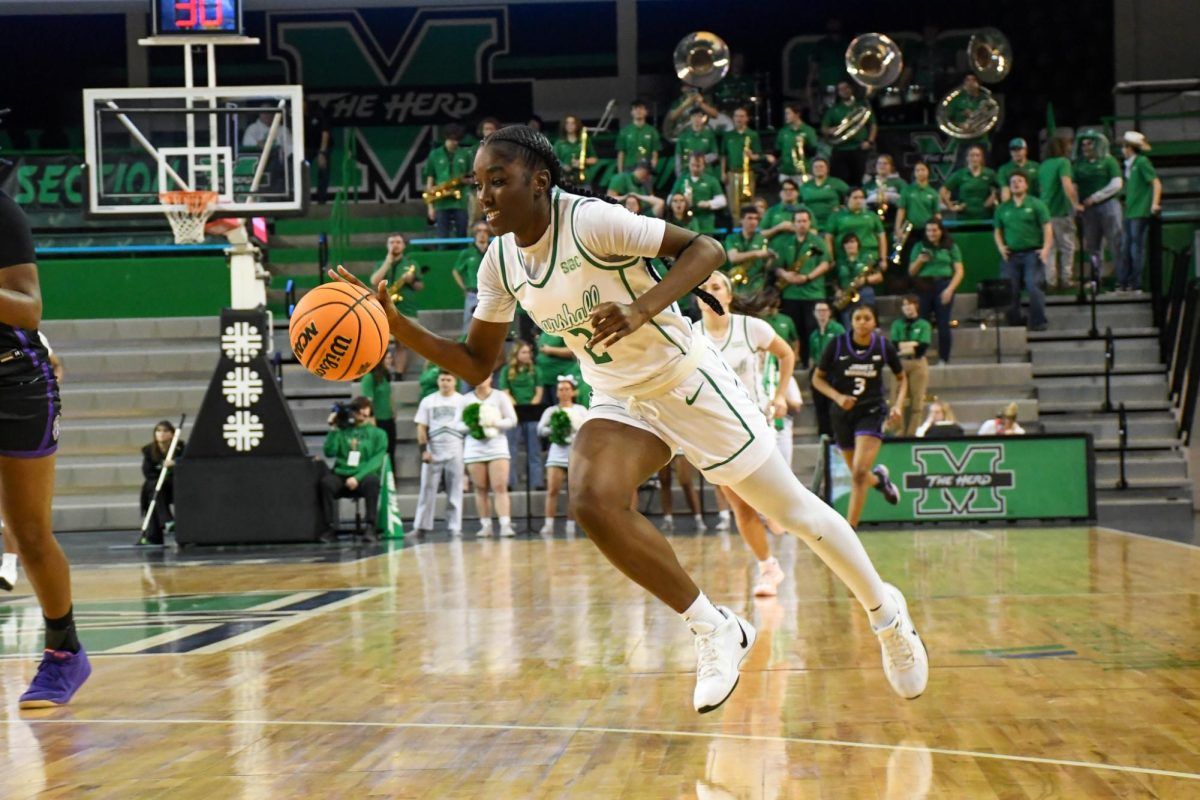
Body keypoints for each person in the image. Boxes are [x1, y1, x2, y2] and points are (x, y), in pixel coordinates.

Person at [331, 124, 927, 712]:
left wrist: (643, 308)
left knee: (792, 512)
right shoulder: (500, 263)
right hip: (619, 396)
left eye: (497, 181)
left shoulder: (589, 221)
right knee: (592, 500)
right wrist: (395, 324)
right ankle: (715, 627)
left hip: (688, 382)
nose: (483, 197)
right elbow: (475, 361)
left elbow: (706, 249)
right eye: (477, 184)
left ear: (539, 182)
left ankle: (886, 616)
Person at [1, 188, 89, 709]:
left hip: (14, 382)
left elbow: (29, 308)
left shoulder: (1, 214)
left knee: (30, 532)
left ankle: (65, 652)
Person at [694, 272, 796, 597]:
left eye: (716, 286)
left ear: (728, 294)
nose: (709, 292)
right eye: (703, 288)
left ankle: (774, 512)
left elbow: (787, 354)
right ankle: (768, 568)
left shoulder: (750, 327)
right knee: (740, 506)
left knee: (774, 499)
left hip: (754, 425)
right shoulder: (689, 336)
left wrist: (780, 395)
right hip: (712, 432)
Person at [811, 304, 906, 528]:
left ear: (874, 323)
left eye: (867, 318)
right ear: (851, 322)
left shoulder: (883, 346)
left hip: (871, 411)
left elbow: (902, 378)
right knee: (858, 473)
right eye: (858, 318)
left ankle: (849, 530)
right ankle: (880, 481)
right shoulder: (837, 345)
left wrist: (898, 406)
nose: (862, 322)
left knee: (858, 473)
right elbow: (817, 379)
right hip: (842, 413)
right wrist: (837, 396)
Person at [770, 208, 832, 368]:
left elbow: (826, 263)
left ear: (809, 222)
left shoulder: (818, 241)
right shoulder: (786, 242)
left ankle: (812, 362)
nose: (802, 224)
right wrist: (786, 275)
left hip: (813, 294)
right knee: (794, 331)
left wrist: (808, 277)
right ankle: (794, 361)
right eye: (798, 221)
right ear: (793, 224)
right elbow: (777, 267)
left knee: (812, 331)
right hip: (790, 294)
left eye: (805, 221)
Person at [319, 396, 386, 542]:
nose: (360, 413)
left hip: (363, 476)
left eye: (364, 409)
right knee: (327, 483)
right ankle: (328, 527)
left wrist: (357, 477)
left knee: (372, 482)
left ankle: (370, 526)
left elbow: (376, 460)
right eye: (357, 409)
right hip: (342, 473)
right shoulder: (342, 431)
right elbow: (329, 452)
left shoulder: (378, 434)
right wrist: (334, 429)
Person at [994, 171, 1053, 331]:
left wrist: (1046, 249)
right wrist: (1000, 247)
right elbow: (997, 230)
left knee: (1033, 286)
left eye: (1020, 181)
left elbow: (1047, 227)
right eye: (1013, 181)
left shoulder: (1036, 204)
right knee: (1010, 288)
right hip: (1011, 255)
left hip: (1032, 254)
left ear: (1026, 185)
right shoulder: (1002, 208)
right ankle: (1014, 321)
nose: (1016, 183)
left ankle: (1038, 321)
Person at [462, 375, 517, 537]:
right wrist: (473, 423)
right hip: (474, 448)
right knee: (480, 488)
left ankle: (505, 524)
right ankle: (485, 525)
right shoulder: (465, 400)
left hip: (497, 447)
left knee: (500, 487)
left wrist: (493, 422)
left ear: (491, 378)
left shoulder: (500, 396)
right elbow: (456, 424)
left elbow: (512, 420)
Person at [412, 370, 466, 537]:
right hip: (433, 448)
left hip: (456, 446)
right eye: (442, 379)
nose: (445, 383)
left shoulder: (463, 401)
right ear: (437, 381)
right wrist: (423, 450)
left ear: (455, 381)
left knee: (455, 488)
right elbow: (421, 426)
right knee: (427, 488)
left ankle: (455, 526)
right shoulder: (428, 401)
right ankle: (421, 526)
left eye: (449, 379)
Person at [908, 218, 964, 363]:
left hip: (944, 284)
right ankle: (920, 356)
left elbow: (959, 271)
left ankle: (944, 359)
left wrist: (950, 289)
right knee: (921, 323)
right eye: (928, 230)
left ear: (940, 231)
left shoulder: (951, 246)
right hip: (923, 285)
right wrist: (920, 261)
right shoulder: (919, 246)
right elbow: (911, 272)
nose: (931, 233)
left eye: (934, 230)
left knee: (943, 323)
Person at [537, 376, 588, 536]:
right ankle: (548, 524)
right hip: (556, 453)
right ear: (557, 393)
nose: (564, 392)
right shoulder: (551, 411)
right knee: (552, 489)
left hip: (575, 454)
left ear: (573, 392)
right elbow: (540, 429)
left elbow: (587, 429)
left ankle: (571, 524)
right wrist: (555, 430)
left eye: (567, 389)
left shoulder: (581, 410)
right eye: (561, 389)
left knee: (573, 491)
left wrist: (574, 433)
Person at [1074, 130, 1124, 286]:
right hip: (1088, 210)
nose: (1085, 148)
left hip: (1108, 206)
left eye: (1089, 144)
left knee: (1115, 242)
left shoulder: (1109, 161)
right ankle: (1096, 277)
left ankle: (1121, 278)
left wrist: (1095, 197)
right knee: (1093, 246)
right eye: (1083, 144)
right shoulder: (1078, 164)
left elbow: (1116, 184)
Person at [369, 234, 423, 375]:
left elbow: (420, 286)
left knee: (403, 344)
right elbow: (374, 281)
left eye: (398, 242)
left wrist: (411, 280)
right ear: (387, 245)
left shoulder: (411, 264)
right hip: (383, 309)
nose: (395, 245)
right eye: (391, 242)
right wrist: (388, 261)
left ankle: (399, 374)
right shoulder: (381, 263)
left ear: (404, 245)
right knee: (381, 343)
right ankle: (381, 372)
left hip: (406, 309)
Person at [1118, 131, 1163, 292]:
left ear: (1129, 148)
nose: (1122, 149)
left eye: (1124, 146)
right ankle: (1123, 282)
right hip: (1130, 211)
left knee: (1136, 248)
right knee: (1126, 247)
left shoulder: (1142, 162)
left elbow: (1156, 183)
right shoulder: (1131, 165)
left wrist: (1154, 204)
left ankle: (1135, 283)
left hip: (1140, 212)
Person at [499, 340, 544, 490]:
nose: (527, 355)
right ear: (516, 354)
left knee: (534, 450)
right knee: (511, 449)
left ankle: (536, 482)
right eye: (523, 352)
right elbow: (505, 392)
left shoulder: (536, 370)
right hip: (513, 413)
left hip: (531, 413)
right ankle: (510, 482)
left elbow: (538, 392)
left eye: (528, 352)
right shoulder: (506, 370)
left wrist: (529, 406)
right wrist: (515, 408)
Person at [1038, 137, 1082, 290]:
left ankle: (1050, 281)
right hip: (1060, 211)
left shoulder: (1043, 165)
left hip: (1044, 212)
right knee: (1067, 247)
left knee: (1050, 248)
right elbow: (1067, 185)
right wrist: (1076, 204)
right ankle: (1066, 279)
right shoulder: (1063, 163)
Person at [888, 296, 932, 436]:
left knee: (917, 399)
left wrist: (904, 345)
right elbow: (894, 346)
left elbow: (922, 348)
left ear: (916, 306)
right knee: (896, 399)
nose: (908, 307)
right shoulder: (896, 325)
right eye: (905, 305)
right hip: (899, 363)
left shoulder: (924, 325)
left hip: (917, 363)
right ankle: (898, 432)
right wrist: (913, 344)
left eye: (910, 304)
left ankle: (912, 433)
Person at [138, 420, 185, 546]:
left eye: (165, 431)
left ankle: (167, 523)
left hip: (176, 487)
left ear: (172, 434)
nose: (161, 434)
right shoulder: (149, 451)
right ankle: (158, 531)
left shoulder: (181, 448)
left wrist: (175, 463)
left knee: (154, 492)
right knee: (153, 489)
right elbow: (148, 473)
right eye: (158, 431)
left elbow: (189, 465)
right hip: (158, 487)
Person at [720, 107, 772, 218]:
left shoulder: (752, 135)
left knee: (748, 204)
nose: (739, 119)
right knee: (733, 206)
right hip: (732, 173)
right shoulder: (728, 135)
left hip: (748, 173)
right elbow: (723, 155)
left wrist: (752, 156)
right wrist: (723, 172)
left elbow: (758, 154)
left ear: (747, 119)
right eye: (737, 116)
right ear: (733, 118)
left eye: (742, 116)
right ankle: (736, 230)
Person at [422, 125, 472, 240]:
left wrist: (468, 181)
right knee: (442, 236)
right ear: (445, 138)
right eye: (452, 139)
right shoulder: (434, 155)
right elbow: (429, 181)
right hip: (440, 201)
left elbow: (471, 176)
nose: (454, 142)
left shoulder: (465, 154)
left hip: (460, 201)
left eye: (457, 140)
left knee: (462, 235)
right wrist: (430, 206)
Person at [822, 79, 876, 185]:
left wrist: (869, 141)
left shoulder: (862, 106)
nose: (844, 91)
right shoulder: (834, 109)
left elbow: (873, 125)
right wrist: (830, 130)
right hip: (840, 149)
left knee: (859, 180)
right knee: (839, 180)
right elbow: (824, 128)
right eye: (840, 89)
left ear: (851, 89)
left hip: (859, 149)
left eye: (846, 88)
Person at [808, 301, 844, 439]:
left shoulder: (837, 329)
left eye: (824, 310)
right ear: (814, 314)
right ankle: (824, 434)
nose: (822, 314)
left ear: (829, 312)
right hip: (818, 372)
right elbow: (812, 355)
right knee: (820, 405)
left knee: (833, 404)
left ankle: (837, 434)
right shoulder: (814, 335)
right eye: (818, 311)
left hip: (833, 371)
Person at [894, 161, 941, 269]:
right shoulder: (907, 190)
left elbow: (937, 214)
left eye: (923, 170)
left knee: (926, 255)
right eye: (917, 170)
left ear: (928, 172)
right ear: (914, 173)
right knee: (909, 256)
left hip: (927, 231)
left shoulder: (933, 193)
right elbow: (901, 210)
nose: (920, 173)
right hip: (910, 230)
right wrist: (898, 228)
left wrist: (938, 230)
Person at [827, 187, 887, 267]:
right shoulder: (837, 216)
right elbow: (828, 238)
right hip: (844, 257)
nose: (859, 201)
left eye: (861, 198)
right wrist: (830, 259)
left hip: (869, 256)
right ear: (847, 199)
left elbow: (881, 237)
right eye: (855, 198)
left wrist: (883, 259)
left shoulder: (872, 216)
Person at [833, 233, 883, 327]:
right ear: (843, 246)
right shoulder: (839, 262)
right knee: (848, 324)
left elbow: (879, 277)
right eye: (846, 243)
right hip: (846, 296)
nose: (850, 245)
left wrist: (865, 280)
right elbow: (834, 280)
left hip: (864, 292)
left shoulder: (867, 259)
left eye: (852, 242)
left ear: (858, 244)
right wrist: (837, 291)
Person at [670, 152, 727, 233]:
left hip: (705, 222)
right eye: (692, 165)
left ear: (704, 165)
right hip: (685, 223)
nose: (695, 169)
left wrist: (709, 203)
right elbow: (670, 198)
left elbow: (722, 201)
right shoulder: (681, 179)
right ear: (688, 164)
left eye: (698, 166)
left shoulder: (711, 180)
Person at [940, 144, 1000, 221]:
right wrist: (950, 206)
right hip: (964, 218)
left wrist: (993, 197)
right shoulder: (960, 174)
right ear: (967, 158)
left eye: (977, 155)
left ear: (981, 158)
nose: (974, 158)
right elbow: (943, 190)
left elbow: (1003, 186)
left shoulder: (989, 173)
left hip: (985, 217)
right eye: (971, 155)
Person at [723, 207, 774, 294]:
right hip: (736, 285)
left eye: (756, 219)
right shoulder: (731, 238)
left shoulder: (762, 239)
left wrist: (771, 258)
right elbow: (733, 257)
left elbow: (768, 266)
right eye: (749, 218)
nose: (753, 222)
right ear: (741, 220)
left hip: (756, 285)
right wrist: (757, 253)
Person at [942, 74, 992, 160]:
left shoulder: (986, 99)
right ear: (964, 83)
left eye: (973, 80)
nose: (970, 83)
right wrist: (958, 125)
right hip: (962, 141)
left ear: (978, 83)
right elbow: (947, 119)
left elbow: (992, 117)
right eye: (967, 80)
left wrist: (976, 118)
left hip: (980, 139)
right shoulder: (956, 99)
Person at [453, 220, 490, 331]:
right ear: (474, 234)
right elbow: (456, 271)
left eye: (485, 231)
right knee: (469, 328)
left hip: (491, 295)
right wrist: (464, 287)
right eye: (479, 231)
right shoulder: (467, 253)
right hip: (473, 293)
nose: (482, 234)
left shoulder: (494, 252)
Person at [359, 356, 396, 468]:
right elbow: (367, 403)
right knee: (380, 452)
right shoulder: (369, 377)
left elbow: (389, 396)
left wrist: (393, 411)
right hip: (377, 421)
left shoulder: (385, 376)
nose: (390, 360)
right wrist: (371, 422)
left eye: (390, 358)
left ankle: (390, 480)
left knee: (391, 451)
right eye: (387, 358)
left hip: (388, 419)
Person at [657, 452, 707, 533]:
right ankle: (668, 519)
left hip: (680, 448)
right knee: (664, 481)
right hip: (663, 444)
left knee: (686, 482)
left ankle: (698, 518)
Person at [799, 157, 849, 231]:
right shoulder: (805, 186)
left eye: (821, 166)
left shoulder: (836, 183)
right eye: (815, 167)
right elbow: (796, 202)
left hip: (832, 222)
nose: (818, 169)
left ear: (827, 169)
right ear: (812, 170)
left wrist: (844, 207)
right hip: (810, 224)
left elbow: (852, 194)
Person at [775, 103, 819, 185]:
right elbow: (778, 151)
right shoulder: (783, 132)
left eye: (788, 113)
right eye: (785, 114)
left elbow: (813, 152)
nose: (786, 116)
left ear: (797, 114)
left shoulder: (809, 131)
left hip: (803, 172)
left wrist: (803, 145)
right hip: (785, 172)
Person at [616, 100, 661, 174]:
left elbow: (655, 154)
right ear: (631, 112)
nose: (638, 111)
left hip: (646, 168)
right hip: (629, 168)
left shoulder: (652, 131)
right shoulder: (624, 132)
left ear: (646, 112)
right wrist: (620, 173)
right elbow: (621, 153)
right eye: (635, 109)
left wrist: (652, 169)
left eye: (641, 108)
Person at [674, 106, 720, 177]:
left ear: (703, 119)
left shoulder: (709, 135)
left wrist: (700, 159)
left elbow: (715, 154)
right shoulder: (683, 136)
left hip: (706, 172)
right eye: (694, 116)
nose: (697, 119)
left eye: (699, 116)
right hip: (687, 172)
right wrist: (679, 174)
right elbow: (678, 156)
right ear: (690, 118)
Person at [553, 115, 598, 186]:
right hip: (565, 180)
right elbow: (553, 160)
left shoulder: (584, 141)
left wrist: (582, 161)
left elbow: (594, 159)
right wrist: (564, 166)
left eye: (572, 123)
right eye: (567, 123)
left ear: (577, 125)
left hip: (583, 179)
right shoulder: (559, 143)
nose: (570, 125)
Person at [303, 98, 333, 204]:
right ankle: (304, 200)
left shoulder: (317, 111)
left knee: (323, 169)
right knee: (303, 170)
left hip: (322, 146)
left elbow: (325, 132)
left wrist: (322, 152)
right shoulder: (295, 113)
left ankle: (321, 200)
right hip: (307, 147)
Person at [864, 154, 906, 222]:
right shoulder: (869, 184)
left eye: (885, 163)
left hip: (893, 219)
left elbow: (904, 201)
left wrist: (891, 197)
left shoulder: (900, 183)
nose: (881, 166)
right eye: (879, 163)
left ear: (891, 167)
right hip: (871, 221)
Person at [998, 138, 1039, 202]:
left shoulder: (1036, 166)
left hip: (1034, 203)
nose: (1016, 152)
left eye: (1019, 149)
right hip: (1014, 205)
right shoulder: (1004, 169)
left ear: (1025, 150)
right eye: (1013, 150)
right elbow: (1005, 190)